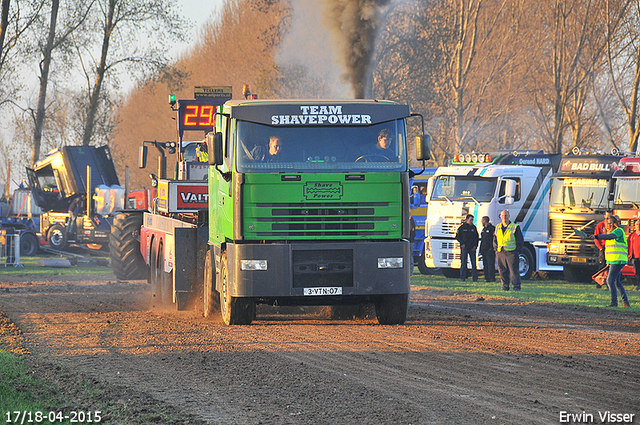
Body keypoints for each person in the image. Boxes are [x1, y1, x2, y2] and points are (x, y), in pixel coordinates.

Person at [594, 215, 631, 307]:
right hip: (613, 261)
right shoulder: (610, 232)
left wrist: (597, 236)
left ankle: (614, 302)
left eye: (611, 223)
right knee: (616, 282)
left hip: (618, 260)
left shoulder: (618, 231)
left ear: (615, 223)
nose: (609, 225)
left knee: (610, 280)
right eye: (608, 223)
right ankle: (625, 302)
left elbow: (610, 236)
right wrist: (608, 262)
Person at [493, 210, 524, 291]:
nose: (504, 217)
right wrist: (496, 248)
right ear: (500, 217)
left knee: (513, 271)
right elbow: (494, 239)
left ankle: (516, 287)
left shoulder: (515, 227)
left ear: (509, 216)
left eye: (506, 216)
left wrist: (517, 251)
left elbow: (520, 240)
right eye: (502, 216)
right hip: (501, 252)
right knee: (502, 270)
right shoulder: (498, 227)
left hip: (512, 252)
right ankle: (504, 286)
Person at [455, 214, 479, 282]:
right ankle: (463, 278)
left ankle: (475, 278)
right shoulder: (462, 228)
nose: (472, 221)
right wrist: (462, 243)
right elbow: (457, 237)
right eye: (471, 220)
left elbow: (476, 237)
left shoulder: (473, 228)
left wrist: (475, 246)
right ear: (467, 220)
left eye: (472, 220)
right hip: (464, 247)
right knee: (463, 263)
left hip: (472, 248)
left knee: (473, 264)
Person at [593, 210, 612, 288]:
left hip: (610, 248)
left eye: (610, 216)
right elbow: (596, 237)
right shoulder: (600, 225)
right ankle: (599, 282)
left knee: (610, 266)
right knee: (601, 265)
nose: (608, 218)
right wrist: (600, 248)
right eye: (607, 216)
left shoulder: (612, 226)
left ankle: (608, 283)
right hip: (603, 247)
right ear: (604, 216)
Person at [479, 216, 496, 282]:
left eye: (482, 220)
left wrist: (492, 248)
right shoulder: (484, 229)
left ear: (485, 221)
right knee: (485, 264)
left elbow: (493, 239)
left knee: (490, 264)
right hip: (484, 249)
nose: (481, 222)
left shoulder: (492, 228)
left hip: (490, 249)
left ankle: (491, 278)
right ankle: (486, 278)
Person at [628, 220, 640, 291]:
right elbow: (629, 246)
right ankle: (638, 285)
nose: (638, 225)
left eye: (639, 224)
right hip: (635, 257)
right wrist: (629, 254)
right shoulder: (632, 235)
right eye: (637, 224)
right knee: (637, 272)